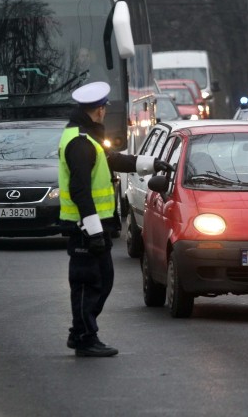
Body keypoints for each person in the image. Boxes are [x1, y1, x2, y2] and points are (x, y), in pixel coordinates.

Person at [58, 81, 173, 357]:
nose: (104, 113)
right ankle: (85, 336)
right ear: (97, 110)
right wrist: (93, 230)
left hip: (92, 225)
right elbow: (79, 190)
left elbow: (113, 160)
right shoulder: (80, 143)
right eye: (103, 109)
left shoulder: (87, 137)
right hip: (85, 226)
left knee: (104, 278)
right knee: (88, 281)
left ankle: (81, 331)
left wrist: (151, 163)